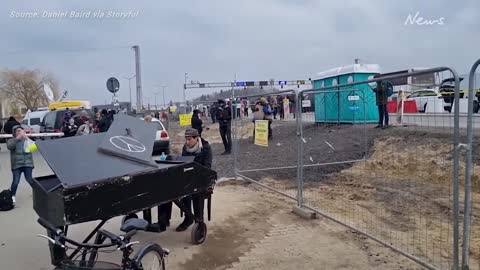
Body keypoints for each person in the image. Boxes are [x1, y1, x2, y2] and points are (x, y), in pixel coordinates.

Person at [175, 128, 213, 232]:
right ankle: (188, 218)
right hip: (189, 179)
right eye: (186, 139)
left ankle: (199, 221)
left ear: (197, 138)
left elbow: (207, 167)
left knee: (197, 192)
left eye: (189, 139)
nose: (187, 142)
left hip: (202, 179)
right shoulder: (185, 148)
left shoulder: (206, 148)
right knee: (181, 192)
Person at [7, 126, 34, 204]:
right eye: (17, 131)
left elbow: (33, 148)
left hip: (27, 164)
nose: (19, 133)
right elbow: (10, 146)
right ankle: (12, 197)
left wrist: (27, 139)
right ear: (14, 133)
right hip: (17, 165)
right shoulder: (11, 140)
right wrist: (17, 139)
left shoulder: (26, 140)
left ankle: (38, 193)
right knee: (15, 181)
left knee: (30, 180)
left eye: (21, 131)